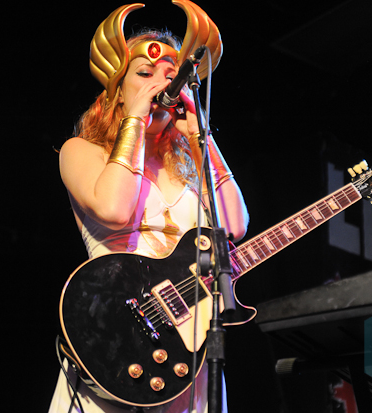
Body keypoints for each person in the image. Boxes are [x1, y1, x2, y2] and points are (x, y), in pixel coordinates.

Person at [49, 1, 248, 412]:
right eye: (144, 74)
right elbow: (115, 210)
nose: (162, 85)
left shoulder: (191, 166)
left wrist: (203, 139)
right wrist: (136, 120)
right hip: (116, 342)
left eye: (172, 78)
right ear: (117, 89)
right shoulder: (81, 151)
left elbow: (233, 227)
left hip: (186, 350)